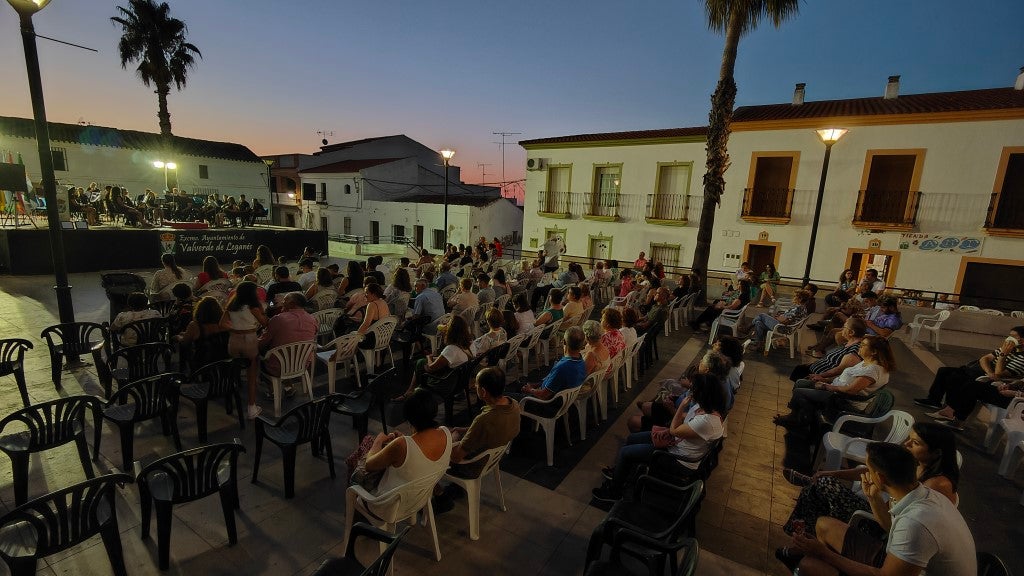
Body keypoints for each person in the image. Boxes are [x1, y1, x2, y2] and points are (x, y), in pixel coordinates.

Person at [785, 442, 975, 576]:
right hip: (904, 563)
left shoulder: (916, 523)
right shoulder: (923, 493)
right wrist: (873, 498)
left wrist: (824, 553)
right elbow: (890, 528)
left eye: (867, 468)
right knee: (823, 525)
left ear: (881, 478)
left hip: (901, 571)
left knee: (809, 566)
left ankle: (810, 561)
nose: (865, 473)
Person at [778, 422, 959, 549]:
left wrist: (873, 498)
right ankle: (804, 535)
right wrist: (832, 472)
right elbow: (871, 470)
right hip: (882, 510)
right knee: (820, 486)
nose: (906, 444)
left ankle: (802, 536)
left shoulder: (937, 486)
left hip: (880, 527)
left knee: (819, 488)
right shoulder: (916, 464)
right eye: (909, 439)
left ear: (936, 453)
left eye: (916, 443)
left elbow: (895, 525)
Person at [593, 373, 727, 502]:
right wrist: (675, 415)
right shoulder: (705, 408)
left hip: (678, 460)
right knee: (632, 439)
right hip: (677, 444)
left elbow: (674, 430)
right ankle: (621, 474)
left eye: (693, 389)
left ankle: (613, 493)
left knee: (625, 452)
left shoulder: (706, 421)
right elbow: (682, 419)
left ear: (702, 394)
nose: (690, 392)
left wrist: (681, 406)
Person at [776, 336, 896, 431]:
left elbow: (851, 390)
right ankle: (800, 416)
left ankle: (799, 420)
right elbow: (845, 378)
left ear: (874, 351)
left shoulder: (873, 370)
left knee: (799, 392)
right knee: (801, 382)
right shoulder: (866, 362)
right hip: (836, 390)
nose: (859, 346)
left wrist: (826, 386)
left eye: (863, 345)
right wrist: (824, 379)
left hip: (843, 400)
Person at [363, 388, 452, 508]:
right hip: (420, 497)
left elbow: (369, 465)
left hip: (390, 504)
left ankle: (358, 522)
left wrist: (378, 440)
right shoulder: (445, 433)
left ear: (409, 417)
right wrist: (406, 440)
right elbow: (420, 453)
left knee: (363, 450)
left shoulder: (401, 445)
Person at [921, 327, 1024, 430]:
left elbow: (998, 373)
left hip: (1013, 399)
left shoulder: (1020, 357)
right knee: (945, 371)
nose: (1009, 339)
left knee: (964, 382)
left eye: (1013, 337)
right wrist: (1009, 385)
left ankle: (954, 417)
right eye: (1009, 336)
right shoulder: (1009, 348)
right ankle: (937, 403)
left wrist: (1003, 355)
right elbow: (984, 359)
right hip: (992, 377)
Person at [221, 281, 270, 419]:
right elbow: (265, 323)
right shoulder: (253, 307)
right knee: (252, 375)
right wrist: (261, 310)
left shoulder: (231, 306)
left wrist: (235, 329)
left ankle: (230, 403)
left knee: (234, 371)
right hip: (249, 339)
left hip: (233, 340)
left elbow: (222, 324)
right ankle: (251, 407)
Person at [395, 315, 473, 400]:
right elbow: (453, 359)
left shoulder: (451, 349)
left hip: (447, 385)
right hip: (460, 382)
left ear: (452, 331)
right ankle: (411, 391)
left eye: (448, 324)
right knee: (421, 362)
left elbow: (430, 368)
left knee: (421, 363)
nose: (446, 326)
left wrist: (429, 357)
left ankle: (412, 392)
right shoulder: (470, 344)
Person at [515, 326, 586, 409]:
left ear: (564, 342)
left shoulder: (563, 367)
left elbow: (544, 395)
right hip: (562, 399)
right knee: (518, 386)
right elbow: (553, 382)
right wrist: (535, 385)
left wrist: (530, 390)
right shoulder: (581, 361)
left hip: (547, 404)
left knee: (509, 396)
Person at [790, 317, 867, 382]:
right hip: (814, 369)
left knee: (799, 375)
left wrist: (820, 376)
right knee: (798, 369)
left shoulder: (854, 351)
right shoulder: (846, 343)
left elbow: (840, 370)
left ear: (851, 332)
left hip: (818, 377)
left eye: (844, 327)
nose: (841, 329)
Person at [744, 289, 810, 350]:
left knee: (762, 315)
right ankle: (758, 343)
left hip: (783, 328)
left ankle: (748, 328)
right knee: (758, 322)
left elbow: (785, 321)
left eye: (795, 296)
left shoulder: (797, 309)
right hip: (787, 327)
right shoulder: (803, 308)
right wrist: (780, 316)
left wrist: (777, 318)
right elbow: (789, 318)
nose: (793, 298)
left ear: (800, 299)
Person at [175, 295, 229, 368]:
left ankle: (183, 368)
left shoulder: (195, 325)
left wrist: (179, 337)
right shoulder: (224, 323)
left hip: (203, 361)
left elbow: (185, 342)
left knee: (184, 346)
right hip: (224, 359)